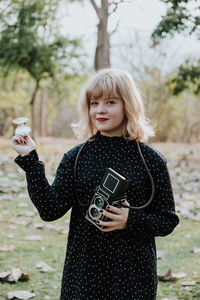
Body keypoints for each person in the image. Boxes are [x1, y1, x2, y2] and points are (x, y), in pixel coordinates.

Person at [12, 68, 179, 300]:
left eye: (110, 102)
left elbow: (167, 220)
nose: (100, 109)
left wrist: (130, 220)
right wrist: (30, 161)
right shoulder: (76, 157)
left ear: (128, 106)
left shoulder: (150, 160)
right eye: (94, 103)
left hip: (133, 277)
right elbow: (50, 210)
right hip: (83, 273)